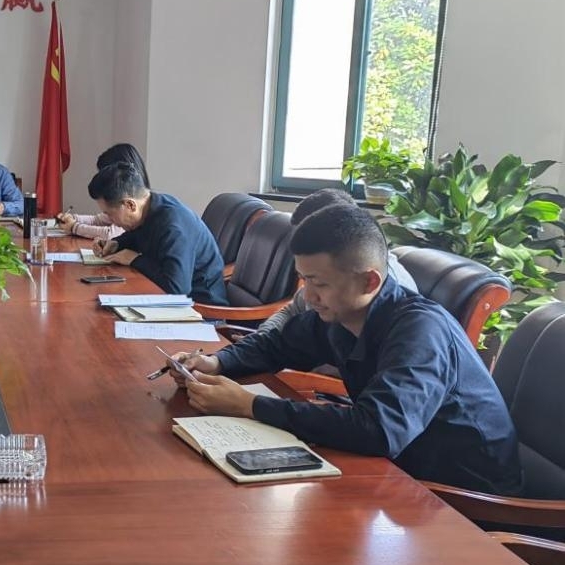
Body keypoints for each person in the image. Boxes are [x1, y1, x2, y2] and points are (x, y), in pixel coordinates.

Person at [170, 204, 522, 495]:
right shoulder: (341, 313)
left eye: (319, 283)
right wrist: (216, 362)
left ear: (369, 281)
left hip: (461, 500)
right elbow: (277, 344)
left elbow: (380, 430)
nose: (308, 296)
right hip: (397, 472)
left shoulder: (420, 331)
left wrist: (250, 405)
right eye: (304, 279)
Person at [257, 188, 417, 334]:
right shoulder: (324, 286)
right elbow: (291, 311)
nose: (308, 297)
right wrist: (263, 336)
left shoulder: (388, 298)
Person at [87, 162, 227, 305]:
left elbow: (176, 288)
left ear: (130, 205)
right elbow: (138, 235)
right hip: (164, 298)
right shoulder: (149, 207)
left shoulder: (173, 226)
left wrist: (134, 259)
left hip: (200, 307)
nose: (110, 220)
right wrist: (116, 244)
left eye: (109, 214)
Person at [55, 143, 150, 239]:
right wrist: (73, 218)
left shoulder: (133, 207)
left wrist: (74, 227)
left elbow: (110, 234)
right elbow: (98, 220)